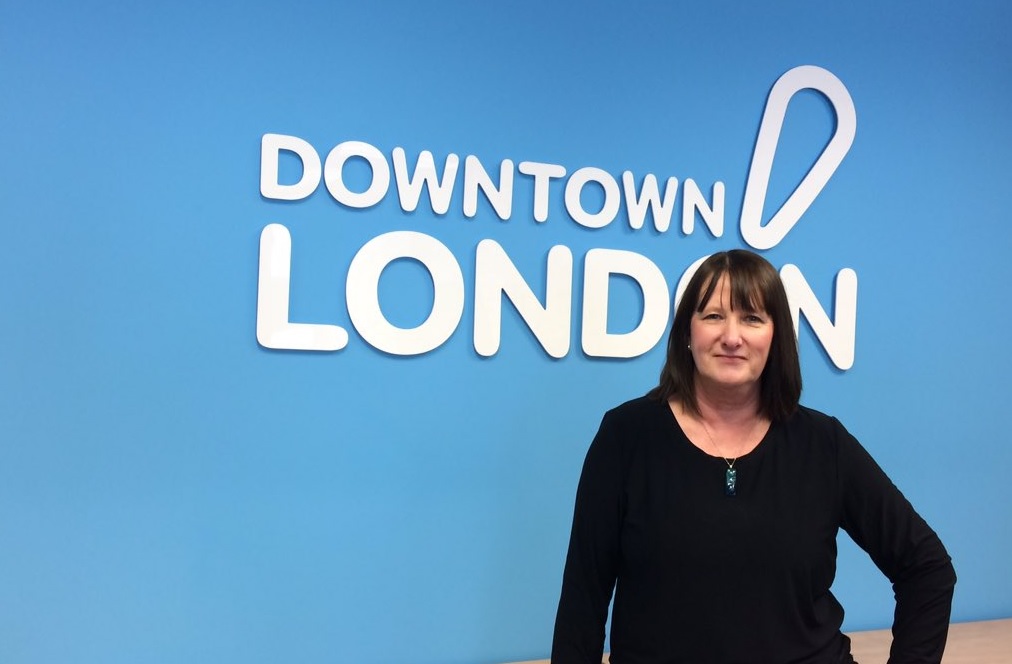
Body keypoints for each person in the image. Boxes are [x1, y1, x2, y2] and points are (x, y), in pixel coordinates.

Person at [551, 250, 956, 664]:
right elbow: (583, 600)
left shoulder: (823, 444)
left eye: (752, 318)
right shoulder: (627, 436)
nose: (731, 336)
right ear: (686, 333)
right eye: (712, 316)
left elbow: (928, 568)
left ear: (775, 336)